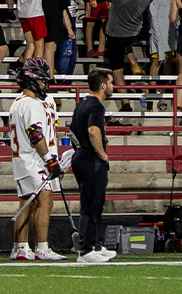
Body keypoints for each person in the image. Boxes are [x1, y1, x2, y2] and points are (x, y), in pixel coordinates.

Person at [8, 58, 65, 261]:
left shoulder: (18, 103)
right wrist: (50, 159)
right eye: (41, 80)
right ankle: (41, 247)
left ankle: (20, 247)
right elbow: (36, 134)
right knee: (44, 201)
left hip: (25, 159)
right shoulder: (30, 104)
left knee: (27, 202)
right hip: (35, 159)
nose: (44, 84)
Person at [71, 68, 117, 263]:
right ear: (103, 85)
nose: (113, 86)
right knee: (90, 204)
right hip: (90, 158)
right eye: (111, 82)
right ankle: (86, 249)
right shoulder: (97, 107)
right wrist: (102, 154)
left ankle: (96, 244)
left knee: (96, 203)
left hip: (80, 155)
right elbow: (93, 131)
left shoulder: (81, 104)